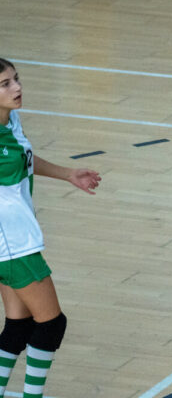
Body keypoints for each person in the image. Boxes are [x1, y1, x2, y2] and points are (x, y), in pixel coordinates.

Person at [0, 58, 101, 398]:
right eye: (5, 84)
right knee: (51, 323)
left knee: (19, 326)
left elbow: (25, 159)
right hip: (10, 242)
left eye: (16, 79)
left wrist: (67, 174)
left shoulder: (11, 120)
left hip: (16, 237)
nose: (17, 88)